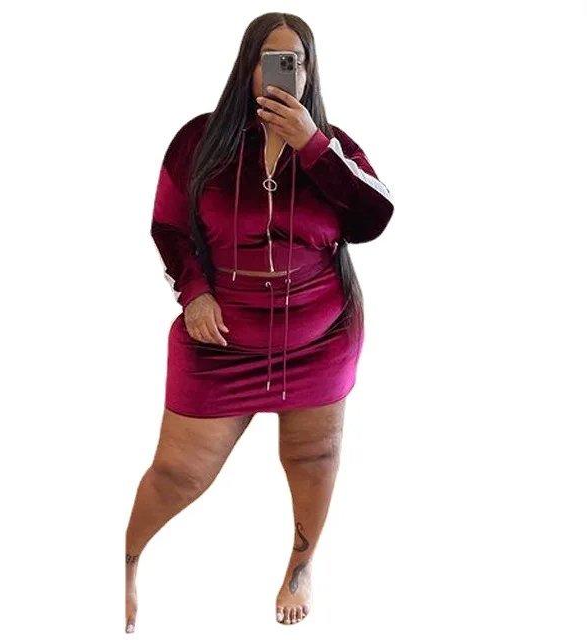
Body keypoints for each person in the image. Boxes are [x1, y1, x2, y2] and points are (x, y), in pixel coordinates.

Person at [125, 12, 394, 631]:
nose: (283, 71)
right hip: (220, 339)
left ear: (310, 71)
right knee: (178, 474)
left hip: (320, 337)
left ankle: (300, 568)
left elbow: (375, 218)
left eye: (295, 61)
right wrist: (194, 293)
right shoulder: (198, 141)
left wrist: (313, 147)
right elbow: (168, 226)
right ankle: (124, 561)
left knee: (314, 457)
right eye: (271, 58)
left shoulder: (332, 145)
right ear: (248, 67)